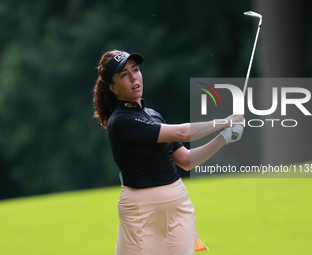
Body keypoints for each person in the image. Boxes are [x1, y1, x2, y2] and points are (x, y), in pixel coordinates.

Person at [92, 50, 244, 255]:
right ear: (112, 87)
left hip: (178, 207)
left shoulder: (153, 115)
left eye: (135, 70)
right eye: (124, 75)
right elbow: (182, 131)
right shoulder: (120, 121)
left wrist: (223, 138)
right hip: (141, 212)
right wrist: (224, 121)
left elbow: (186, 160)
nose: (133, 77)